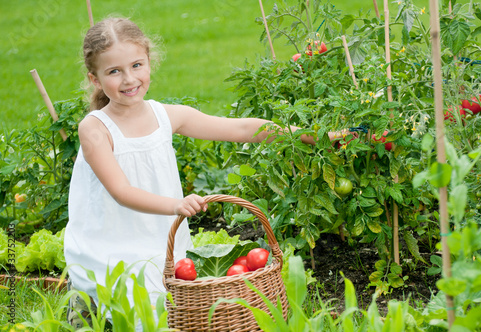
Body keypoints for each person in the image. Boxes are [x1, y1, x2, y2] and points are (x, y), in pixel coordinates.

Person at [63, 17, 353, 329]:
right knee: (107, 316)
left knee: (162, 313)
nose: (129, 78)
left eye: (136, 65)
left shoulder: (165, 116)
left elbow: (243, 128)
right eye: (114, 71)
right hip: (107, 247)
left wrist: (308, 135)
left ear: (149, 60)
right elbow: (122, 192)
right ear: (95, 79)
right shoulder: (94, 128)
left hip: (158, 243)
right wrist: (175, 205)